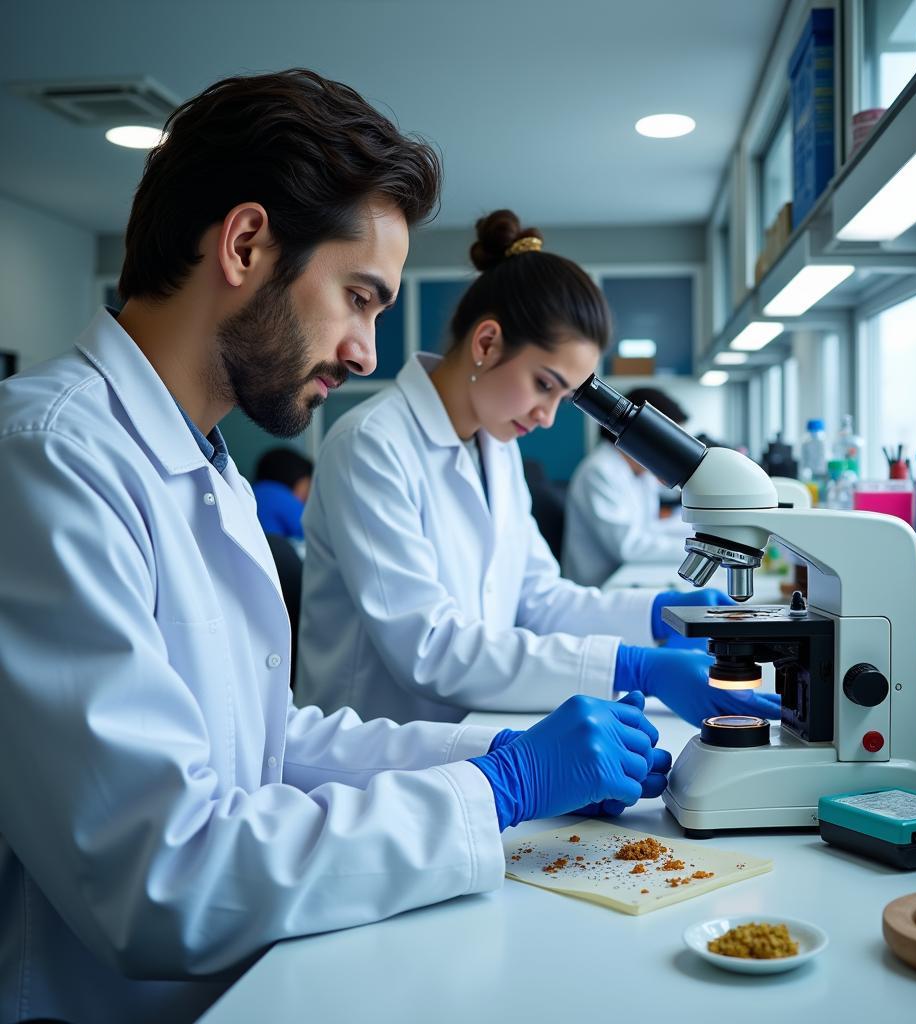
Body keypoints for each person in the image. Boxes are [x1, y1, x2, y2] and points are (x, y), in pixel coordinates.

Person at [0, 71, 674, 1024]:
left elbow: (272, 744)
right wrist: (500, 786)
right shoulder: (48, 459)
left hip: (252, 964)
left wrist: (505, 757)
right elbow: (161, 872)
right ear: (244, 244)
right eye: (358, 297)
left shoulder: (207, 468)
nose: (365, 350)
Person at [296, 210, 780, 729]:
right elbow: (429, 647)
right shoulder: (371, 444)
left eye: (564, 396)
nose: (547, 417)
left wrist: (659, 615)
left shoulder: (496, 445)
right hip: (374, 756)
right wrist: (631, 666)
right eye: (544, 384)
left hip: (476, 726)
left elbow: (538, 598)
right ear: (486, 343)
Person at [562, 386, 696, 587]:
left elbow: (650, 528)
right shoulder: (599, 471)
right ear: (645, 434)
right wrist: (698, 550)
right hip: (599, 587)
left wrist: (702, 537)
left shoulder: (641, 472)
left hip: (627, 576)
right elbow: (629, 546)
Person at [252, 445, 313, 540]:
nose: (309, 496)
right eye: (308, 486)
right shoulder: (279, 496)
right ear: (295, 475)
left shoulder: (254, 491)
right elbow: (314, 534)